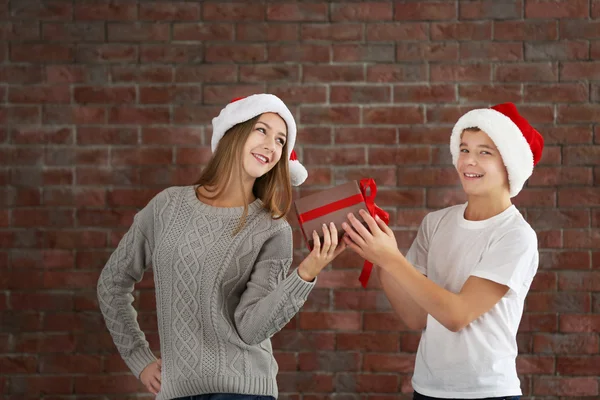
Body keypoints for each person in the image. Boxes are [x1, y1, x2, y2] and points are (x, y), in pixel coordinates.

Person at [97, 94, 346, 400]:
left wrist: (306, 273)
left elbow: (251, 329)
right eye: (261, 130)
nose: (272, 145)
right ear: (234, 132)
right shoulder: (166, 206)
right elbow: (112, 283)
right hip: (175, 391)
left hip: (242, 391)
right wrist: (140, 359)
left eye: (281, 140)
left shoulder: (272, 229)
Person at [341, 102, 544, 400]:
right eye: (464, 149)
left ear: (510, 164)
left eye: (484, 152)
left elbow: (456, 315)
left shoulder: (515, 235)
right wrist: (379, 257)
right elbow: (416, 317)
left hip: (487, 392)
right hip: (427, 389)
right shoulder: (436, 223)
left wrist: (391, 258)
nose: (468, 161)